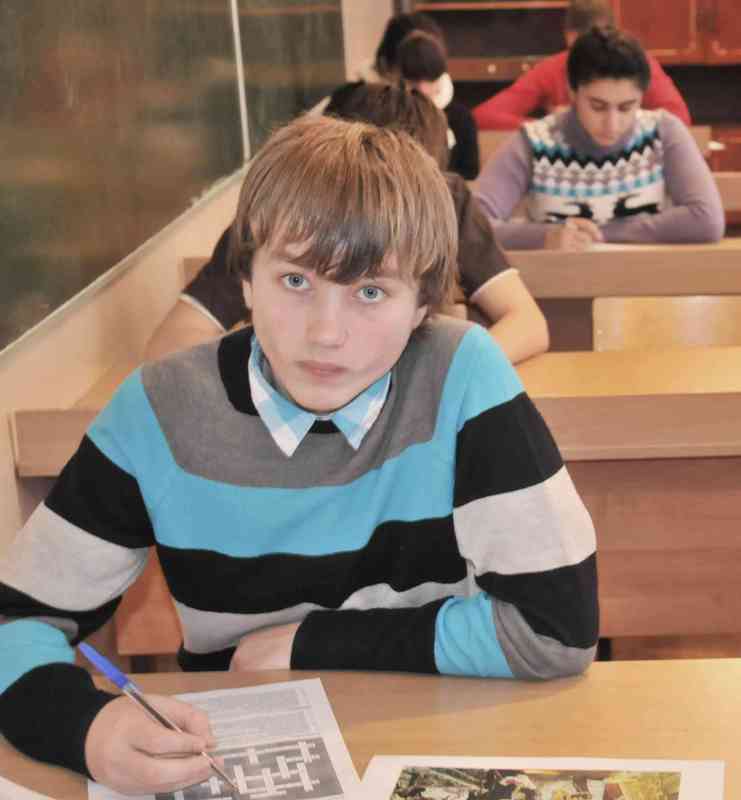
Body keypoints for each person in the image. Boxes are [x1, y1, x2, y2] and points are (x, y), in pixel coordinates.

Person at [0, 114, 598, 795]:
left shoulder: (464, 376)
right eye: (294, 281)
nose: (325, 333)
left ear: (422, 305)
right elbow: (15, 618)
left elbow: (554, 630)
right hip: (232, 755)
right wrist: (84, 727)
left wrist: (309, 641)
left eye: (370, 292)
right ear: (245, 279)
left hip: (434, 732)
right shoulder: (158, 410)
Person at [147, 83, 548, 365]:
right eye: (296, 280)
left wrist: (440, 377)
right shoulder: (281, 209)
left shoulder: (448, 201)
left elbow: (526, 322)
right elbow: (172, 343)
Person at [475, 26, 724, 250]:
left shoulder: (664, 131)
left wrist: (601, 234)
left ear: (642, 97)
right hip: (560, 281)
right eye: (597, 106)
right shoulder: (533, 142)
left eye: (626, 107)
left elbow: (707, 220)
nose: (612, 124)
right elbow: (472, 226)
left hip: (645, 281)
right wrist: (546, 237)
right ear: (572, 93)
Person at [473, 0, 691, 131]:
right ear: (568, 39)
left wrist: (627, 119)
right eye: (583, 52)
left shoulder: (638, 63)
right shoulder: (551, 70)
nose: (593, 63)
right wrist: (550, 126)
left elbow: (679, 119)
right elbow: (483, 116)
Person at [398, 30, 479, 179]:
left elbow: (470, 172)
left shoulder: (461, 118)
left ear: (440, 75)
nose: (422, 88)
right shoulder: (395, 112)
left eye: (429, 80)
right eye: (415, 81)